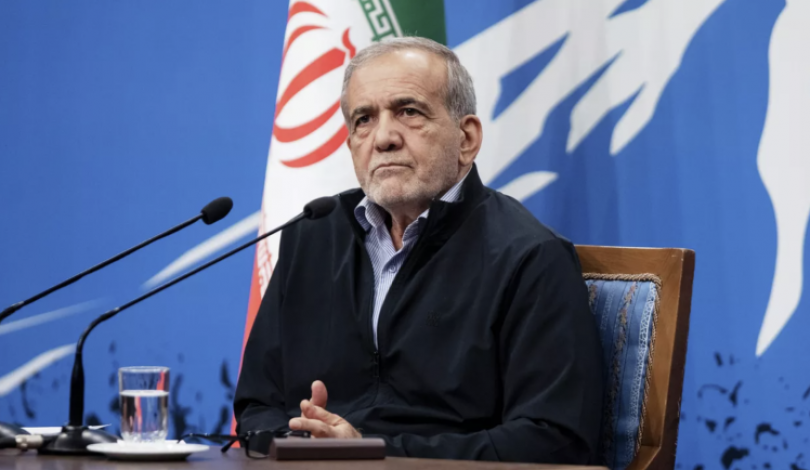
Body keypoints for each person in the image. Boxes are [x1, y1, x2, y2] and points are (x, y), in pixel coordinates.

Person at [234, 37, 603, 463]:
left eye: (409, 112)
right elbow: (257, 404)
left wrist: (372, 454)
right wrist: (301, 443)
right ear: (351, 144)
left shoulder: (529, 257)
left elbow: (554, 438)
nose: (384, 138)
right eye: (364, 119)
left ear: (466, 138)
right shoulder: (311, 237)